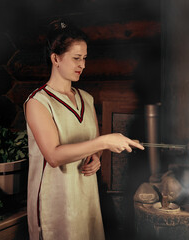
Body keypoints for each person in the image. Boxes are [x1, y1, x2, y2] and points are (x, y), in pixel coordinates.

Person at [24, 18, 144, 240]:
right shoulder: (38, 102)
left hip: (86, 198)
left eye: (85, 58)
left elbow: (91, 145)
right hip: (55, 203)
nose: (83, 65)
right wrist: (105, 142)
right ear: (55, 58)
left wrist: (97, 157)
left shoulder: (86, 99)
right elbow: (53, 156)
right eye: (76, 58)